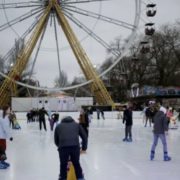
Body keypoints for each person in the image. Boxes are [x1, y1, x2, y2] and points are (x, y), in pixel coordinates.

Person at [54, 116, 87, 180]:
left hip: (63, 148)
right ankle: (80, 178)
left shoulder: (58, 126)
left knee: (63, 165)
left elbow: (56, 140)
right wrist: (84, 148)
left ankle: (63, 178)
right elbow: (84, 137)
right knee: (76, 163)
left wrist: (60, 146)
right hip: (75, 147)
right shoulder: (77, 125)